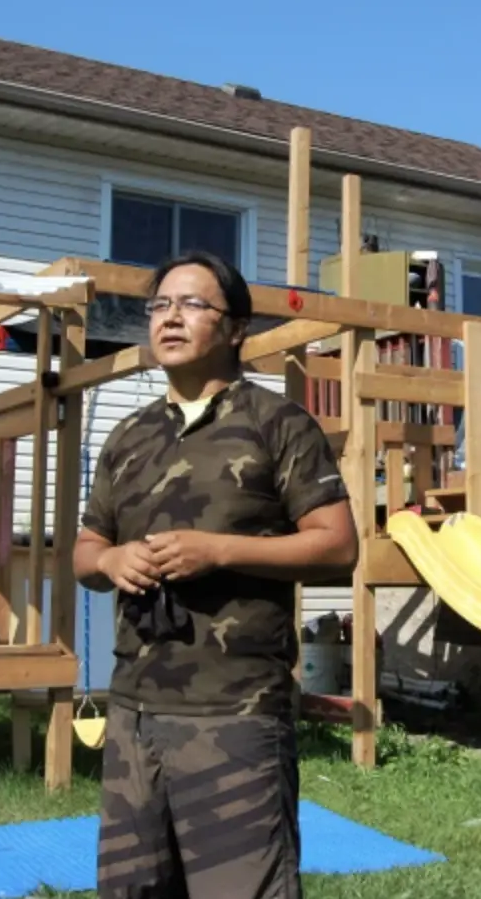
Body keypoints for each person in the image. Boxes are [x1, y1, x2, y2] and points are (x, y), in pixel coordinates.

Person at [74, 249, 359, 899]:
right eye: (160, 306)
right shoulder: (128, 437)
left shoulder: (276, 424)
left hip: (235, 715)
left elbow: (338, 545)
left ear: (235, 329)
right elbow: (86, 550)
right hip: (134, 714)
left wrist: (218, 551)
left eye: (193, 304)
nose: (170, 319)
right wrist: (112, 560)